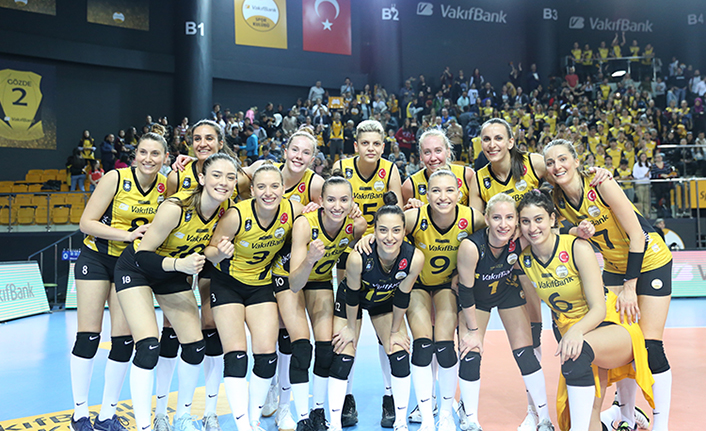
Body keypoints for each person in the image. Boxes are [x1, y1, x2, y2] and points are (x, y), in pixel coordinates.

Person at [468, 118, 612, 431]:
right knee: (504, 338)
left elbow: (564, 175)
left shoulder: (532, 163)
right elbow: (477, 220)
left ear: (510, 141)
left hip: (533, 253)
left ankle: (544, 412)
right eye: (486, 139)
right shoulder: (478, 179)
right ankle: (528, 413)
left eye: (498, 138)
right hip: (505, 260)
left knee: (538, 332)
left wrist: (595, 174)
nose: (492, 145)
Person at [544, 139, 672, 431]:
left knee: (649, 345)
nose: (557, 166)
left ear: (576, 161)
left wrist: (630, 287)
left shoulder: (600, 184)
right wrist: (576, 230)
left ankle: (661, 424)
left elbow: (637, 236)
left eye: (562, 159)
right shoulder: (557, 199)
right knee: (622, 340)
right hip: (614, 267)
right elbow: (555, 228)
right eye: (550, 162)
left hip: (649, 260)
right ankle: (626, 416)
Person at [114, 153, 237, 431]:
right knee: (149, 346)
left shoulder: (227, 209)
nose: (224, 182)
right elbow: (143, 255)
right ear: (202, 178)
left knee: (195, 346)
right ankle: (145, 425)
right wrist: (179, 265)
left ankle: (182, 418)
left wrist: (218, 254)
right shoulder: (175, 207)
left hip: (173, 273)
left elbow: (209, 250)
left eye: (230, 177)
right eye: (217, 175)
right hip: (138, 269)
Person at [516, 189, 654, 431]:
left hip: (610, 325)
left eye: (538, 219)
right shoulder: (524, 260)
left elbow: (599, 308)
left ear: (552, 219)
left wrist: (575, 332)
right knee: (586, 418)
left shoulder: (576, 247)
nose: (532, 228)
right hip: (577, 334)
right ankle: (617, 416)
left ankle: (620, 414)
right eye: (525, 221)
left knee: (577, 354)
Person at [359, 170, 485, 431]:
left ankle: (446, 415)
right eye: (436, 190)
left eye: (449, 190)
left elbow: (490, 241)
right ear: (426, 194)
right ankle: (427, 416)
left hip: (446, 286)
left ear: (459, 193)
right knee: (423, 345)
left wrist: (465, 273)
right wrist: (369, 236)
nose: (443, 196)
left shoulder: (473, 218)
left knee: (445, 346)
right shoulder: (414, 217)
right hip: (417, 285)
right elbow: (388, 228)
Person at [69, 132, 169, 431]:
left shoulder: (167, 185)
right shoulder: (115, 178)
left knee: (124, 340)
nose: (148, 159)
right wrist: (127, 235)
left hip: (129, 265)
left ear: (165, 158)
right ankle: (79, 414)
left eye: (155, 153)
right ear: (134, 155)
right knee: (88, 335)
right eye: (143, 152)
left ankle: (106, 415)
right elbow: (86, 223)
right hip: (97, 258)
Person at [204, 163, 303, 431]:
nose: (268, 192)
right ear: (252, 191)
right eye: (261, 187)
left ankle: (254, 418)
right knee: (236, 354)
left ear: (284, 188)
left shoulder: (294, 210)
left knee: (267, 355)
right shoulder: (237, 215)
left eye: (274, 186)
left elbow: (319, 218)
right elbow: (210, 252)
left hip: (260, 285)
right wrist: (220, 253)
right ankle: (243, 426)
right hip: (228, 284)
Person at [155, 120, 237, 431]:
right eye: (197, 138)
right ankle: (161, 411)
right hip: (180, 256)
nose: (203, 143)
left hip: (213, 256)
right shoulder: (178, 175)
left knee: (210, 324)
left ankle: (210, 411)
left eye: (210, 138)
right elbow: (166, 213)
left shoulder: (234, 174)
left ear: (220, 143)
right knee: (171, 327)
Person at [273, 174, 367, 431]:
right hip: (290, 277)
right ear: (321, 201)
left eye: (344, 200)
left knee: (326, 348)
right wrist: (311, 259)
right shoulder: (305, 224)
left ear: (352, 202)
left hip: (320, 280)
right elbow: (295, 282)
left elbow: (367, 233)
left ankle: (318, 411)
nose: (338, 206)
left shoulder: (355, 225)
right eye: (331, 200)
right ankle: (302, 417)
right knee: (302, 346)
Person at [456, 193, 553, 431]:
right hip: (476, 299)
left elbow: (551, 234)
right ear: (487, 219)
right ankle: (470, 419)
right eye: (497, 217)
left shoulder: (520, 239)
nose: (503, 224)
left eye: (510, 217)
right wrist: (473, 331)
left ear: (517, 221)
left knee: (525, 353)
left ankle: (544, 419)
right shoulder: (471, 247)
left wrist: (577, 231)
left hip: (506, 291)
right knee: (471, 351)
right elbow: (465, 292)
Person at [330, 192, 425, 431]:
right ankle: (335, 423)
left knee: (399, 352)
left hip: (384, 301)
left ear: (404, 231)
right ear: (374, 231)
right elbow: (352, 295)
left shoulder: (414, 258)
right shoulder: (358, 258)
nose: (389, 237)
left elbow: (402, 296)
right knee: (343, 353)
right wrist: (350, 328)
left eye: (396, 231)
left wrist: (394, 331)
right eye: (382, 230)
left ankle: (400, 421)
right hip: (352, 301)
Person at [331, 120, 403, 427]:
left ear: (383, 146)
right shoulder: (341, 167)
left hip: (382, 253)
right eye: (365, 143)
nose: (371, 148)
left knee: (387, 335)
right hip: (347, 253)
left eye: (376, 143)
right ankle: (346, 398)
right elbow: (331, 206)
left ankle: (390, 397)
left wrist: (374, 234)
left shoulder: (390, 170)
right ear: (356, 145)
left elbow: (397, 213)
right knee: (348, 331)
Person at [403, 129, 474, 208]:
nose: (433, 158)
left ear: (448, 152)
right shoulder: (410, 185)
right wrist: (410, 210)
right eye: (427, 152)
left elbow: (476, 213)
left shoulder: (467, 175)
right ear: (421, 156)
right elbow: (402, 214)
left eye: (438, 151)